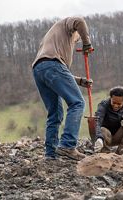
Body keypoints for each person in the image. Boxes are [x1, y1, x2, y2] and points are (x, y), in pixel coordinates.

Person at [32, 17, 93, 161]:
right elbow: (80, 21)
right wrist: (86, 42)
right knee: (77, 103)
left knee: (55, 113)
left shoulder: (51, 40)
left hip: (39, 70)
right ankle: (67, 145)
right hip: (53, 66)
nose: (75, 41)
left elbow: (54, 71)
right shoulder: (67, 24)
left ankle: (50, 153)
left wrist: (80, 81)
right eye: (76, 38)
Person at [93, 86, 123, 154]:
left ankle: (121, 150)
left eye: (119, 104)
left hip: (119, 135)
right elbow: (98, 120)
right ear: (110, 98)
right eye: (113, 102)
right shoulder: (103, 105)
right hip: (105, 136)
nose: (115, 106)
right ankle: (105, 152)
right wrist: (99, 137)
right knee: (102, 129)